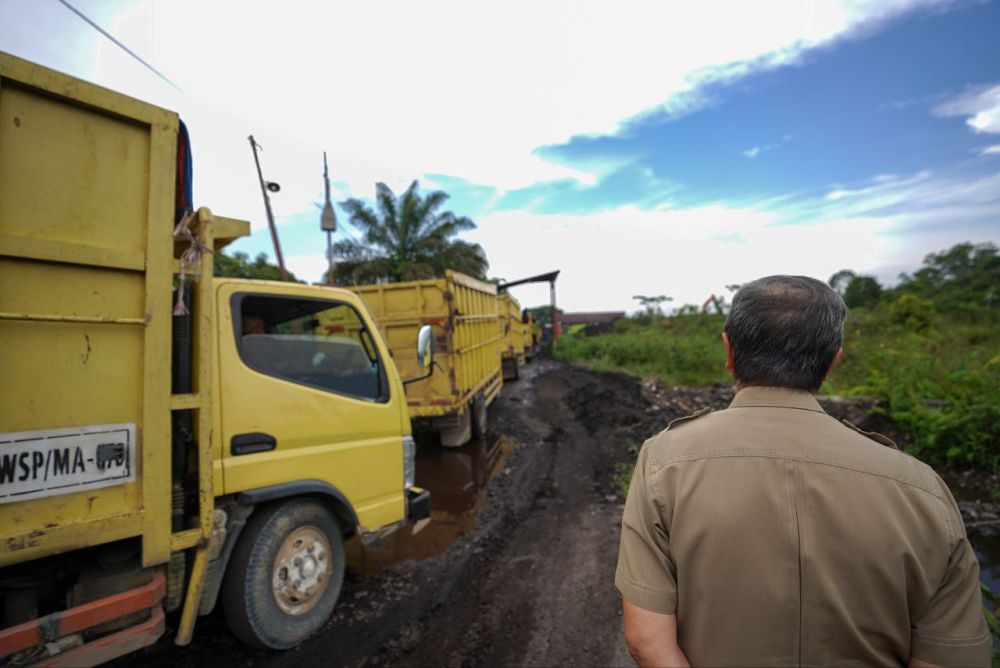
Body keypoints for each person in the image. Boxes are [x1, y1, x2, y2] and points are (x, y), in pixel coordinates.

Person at [615, 275, 990, 667]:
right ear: (832, 362)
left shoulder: (664, 462)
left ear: (728, 350)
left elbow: (647, 641)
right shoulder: (923, 489)